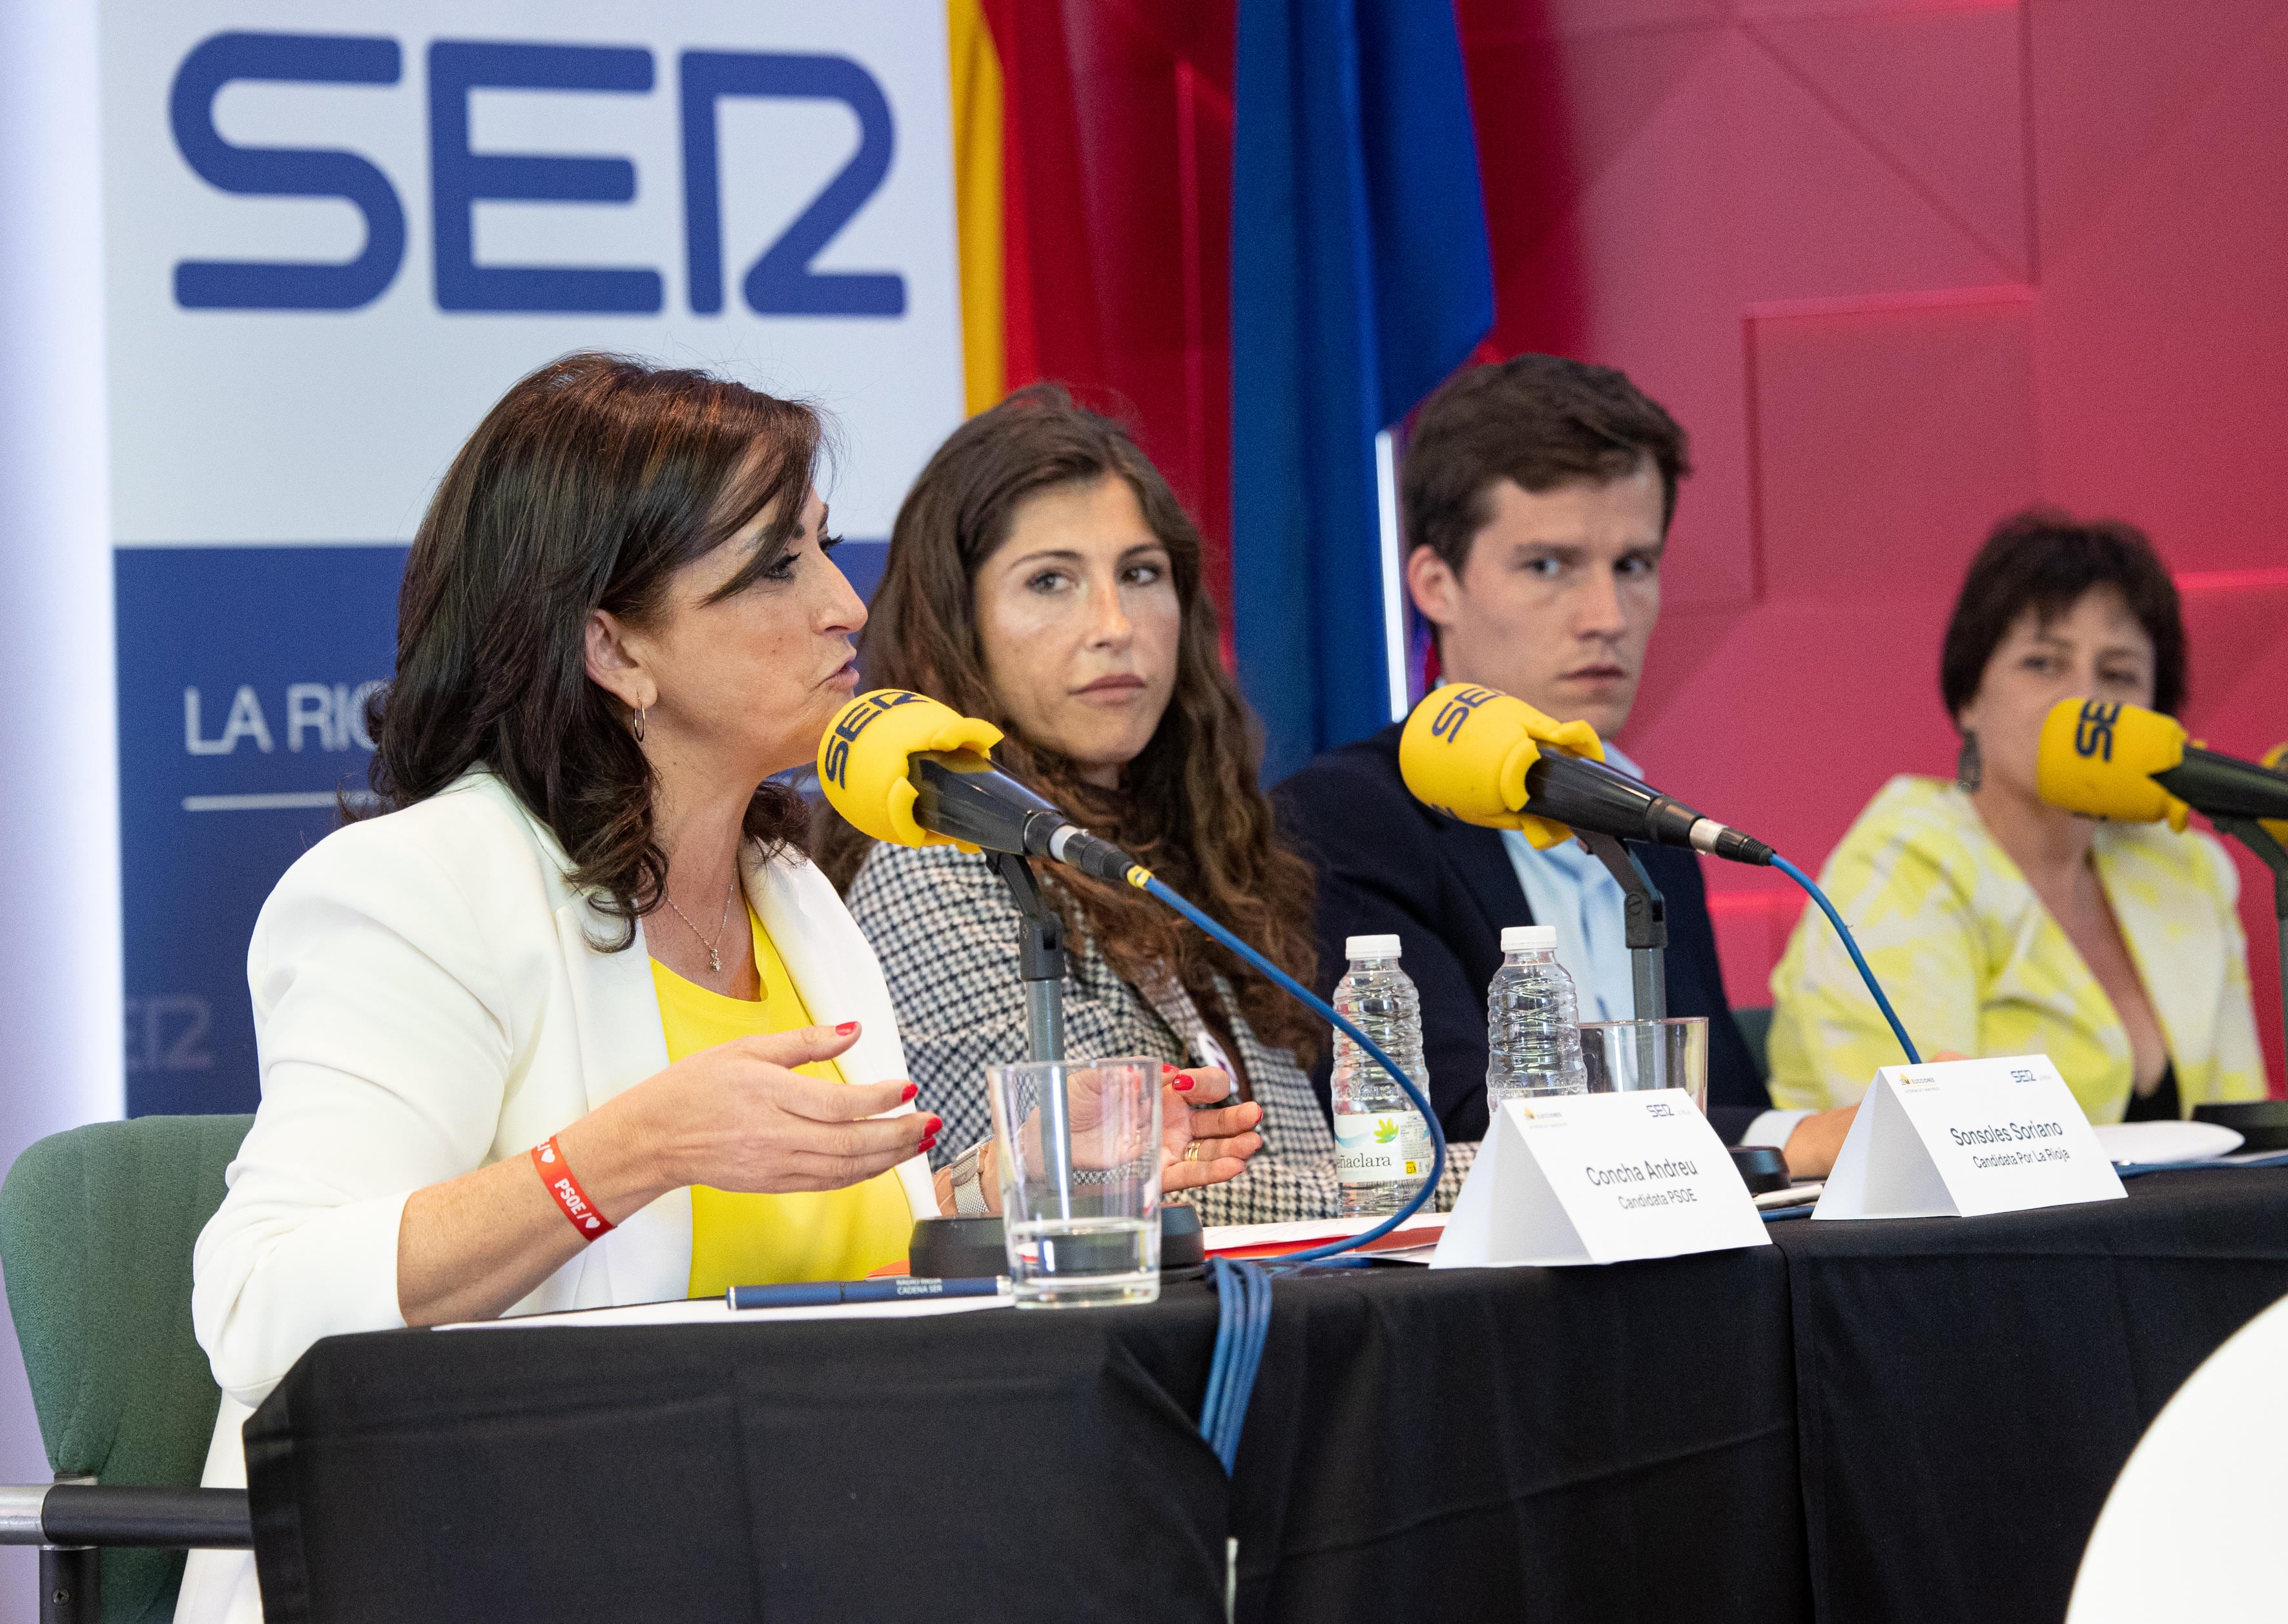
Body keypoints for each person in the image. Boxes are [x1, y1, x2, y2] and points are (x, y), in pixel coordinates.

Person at [176, 356, 1258, 1624]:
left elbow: (831, 1270)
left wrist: (1001, 1186)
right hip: (474, 1564)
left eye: (824, 549)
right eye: (775, 569)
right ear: (615, 649)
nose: (847, 608)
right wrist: (621, 1156)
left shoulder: (791, 891)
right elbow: (262, 1303)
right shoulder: (414, 890)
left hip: (783, 1548)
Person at [819, 385, 1461, 1224]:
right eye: (1050, 580)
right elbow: (1116, 1190)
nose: (1114, 623)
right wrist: (1495, 1178)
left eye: (1140, 573)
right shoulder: (935, 867)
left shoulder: (1191, 857)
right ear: (956, 623)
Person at [1276, 354, 1855, 1175]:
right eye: (1548, 566)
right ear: (1436, 584)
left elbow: (1715, 1091)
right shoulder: (1343, 817)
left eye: (1634, 565)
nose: (1607, 617)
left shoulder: (1654, 823)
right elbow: (1455, 1125)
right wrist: (1800, 1139)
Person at [1767, 510, 2268, 1121]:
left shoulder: (2187, 867)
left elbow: (2244, 1133)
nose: (2084, 698)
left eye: (2118, 674)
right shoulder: (1899, 870)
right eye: (2043, 663)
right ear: (1970, 697)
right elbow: (1934, 1151)